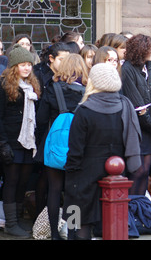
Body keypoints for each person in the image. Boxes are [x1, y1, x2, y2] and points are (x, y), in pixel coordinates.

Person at [63, 63, 142, 240]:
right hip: (116, 175)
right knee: (111, 224)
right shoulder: (125, 106)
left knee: (77, 221)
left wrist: (70, 174)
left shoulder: (84, 110)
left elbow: (75, 149)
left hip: (83, 174)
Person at [35, 54, 88, 240]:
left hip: (55, 147)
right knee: (74, 191)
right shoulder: (87, 92)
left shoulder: (53, 88)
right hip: (79, 149)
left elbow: (41, 120)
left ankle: (54, 234)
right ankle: (73, 231)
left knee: (54, 189)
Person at [0, 46, 41, 237]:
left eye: (29, 65)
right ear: (14, 66)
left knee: (23, 182)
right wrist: (3, 144)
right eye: (22, 65)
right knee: (12, 181)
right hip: (11, 140)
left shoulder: (32, 86)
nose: (26, 68)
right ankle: (11, 223)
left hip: (28, 141)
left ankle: (15, 220)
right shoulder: (4, 85)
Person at [120, 34, 151, 196]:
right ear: (141, 50)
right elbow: (137, 104)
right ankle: (130, 209)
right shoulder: (127, 69)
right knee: (136, 171)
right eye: (150, 50)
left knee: (146, 172)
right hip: (136, 127)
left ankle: (140, 208)